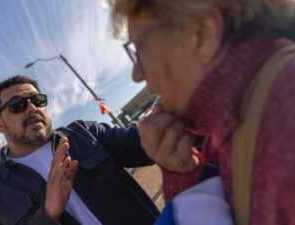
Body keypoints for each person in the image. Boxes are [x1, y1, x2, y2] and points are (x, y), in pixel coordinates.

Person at [110, 0, 295, 224]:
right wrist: (181, 171)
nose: (136, 74)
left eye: (139, 47)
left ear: (203, 34)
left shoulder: (285, 114)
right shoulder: (217, 137)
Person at [0, 75, 159, 225]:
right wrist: (48, 213)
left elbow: (147, 145)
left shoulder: (84, 133)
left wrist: (161, 123)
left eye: (37, 99)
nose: (32, 108)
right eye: (17, 105)